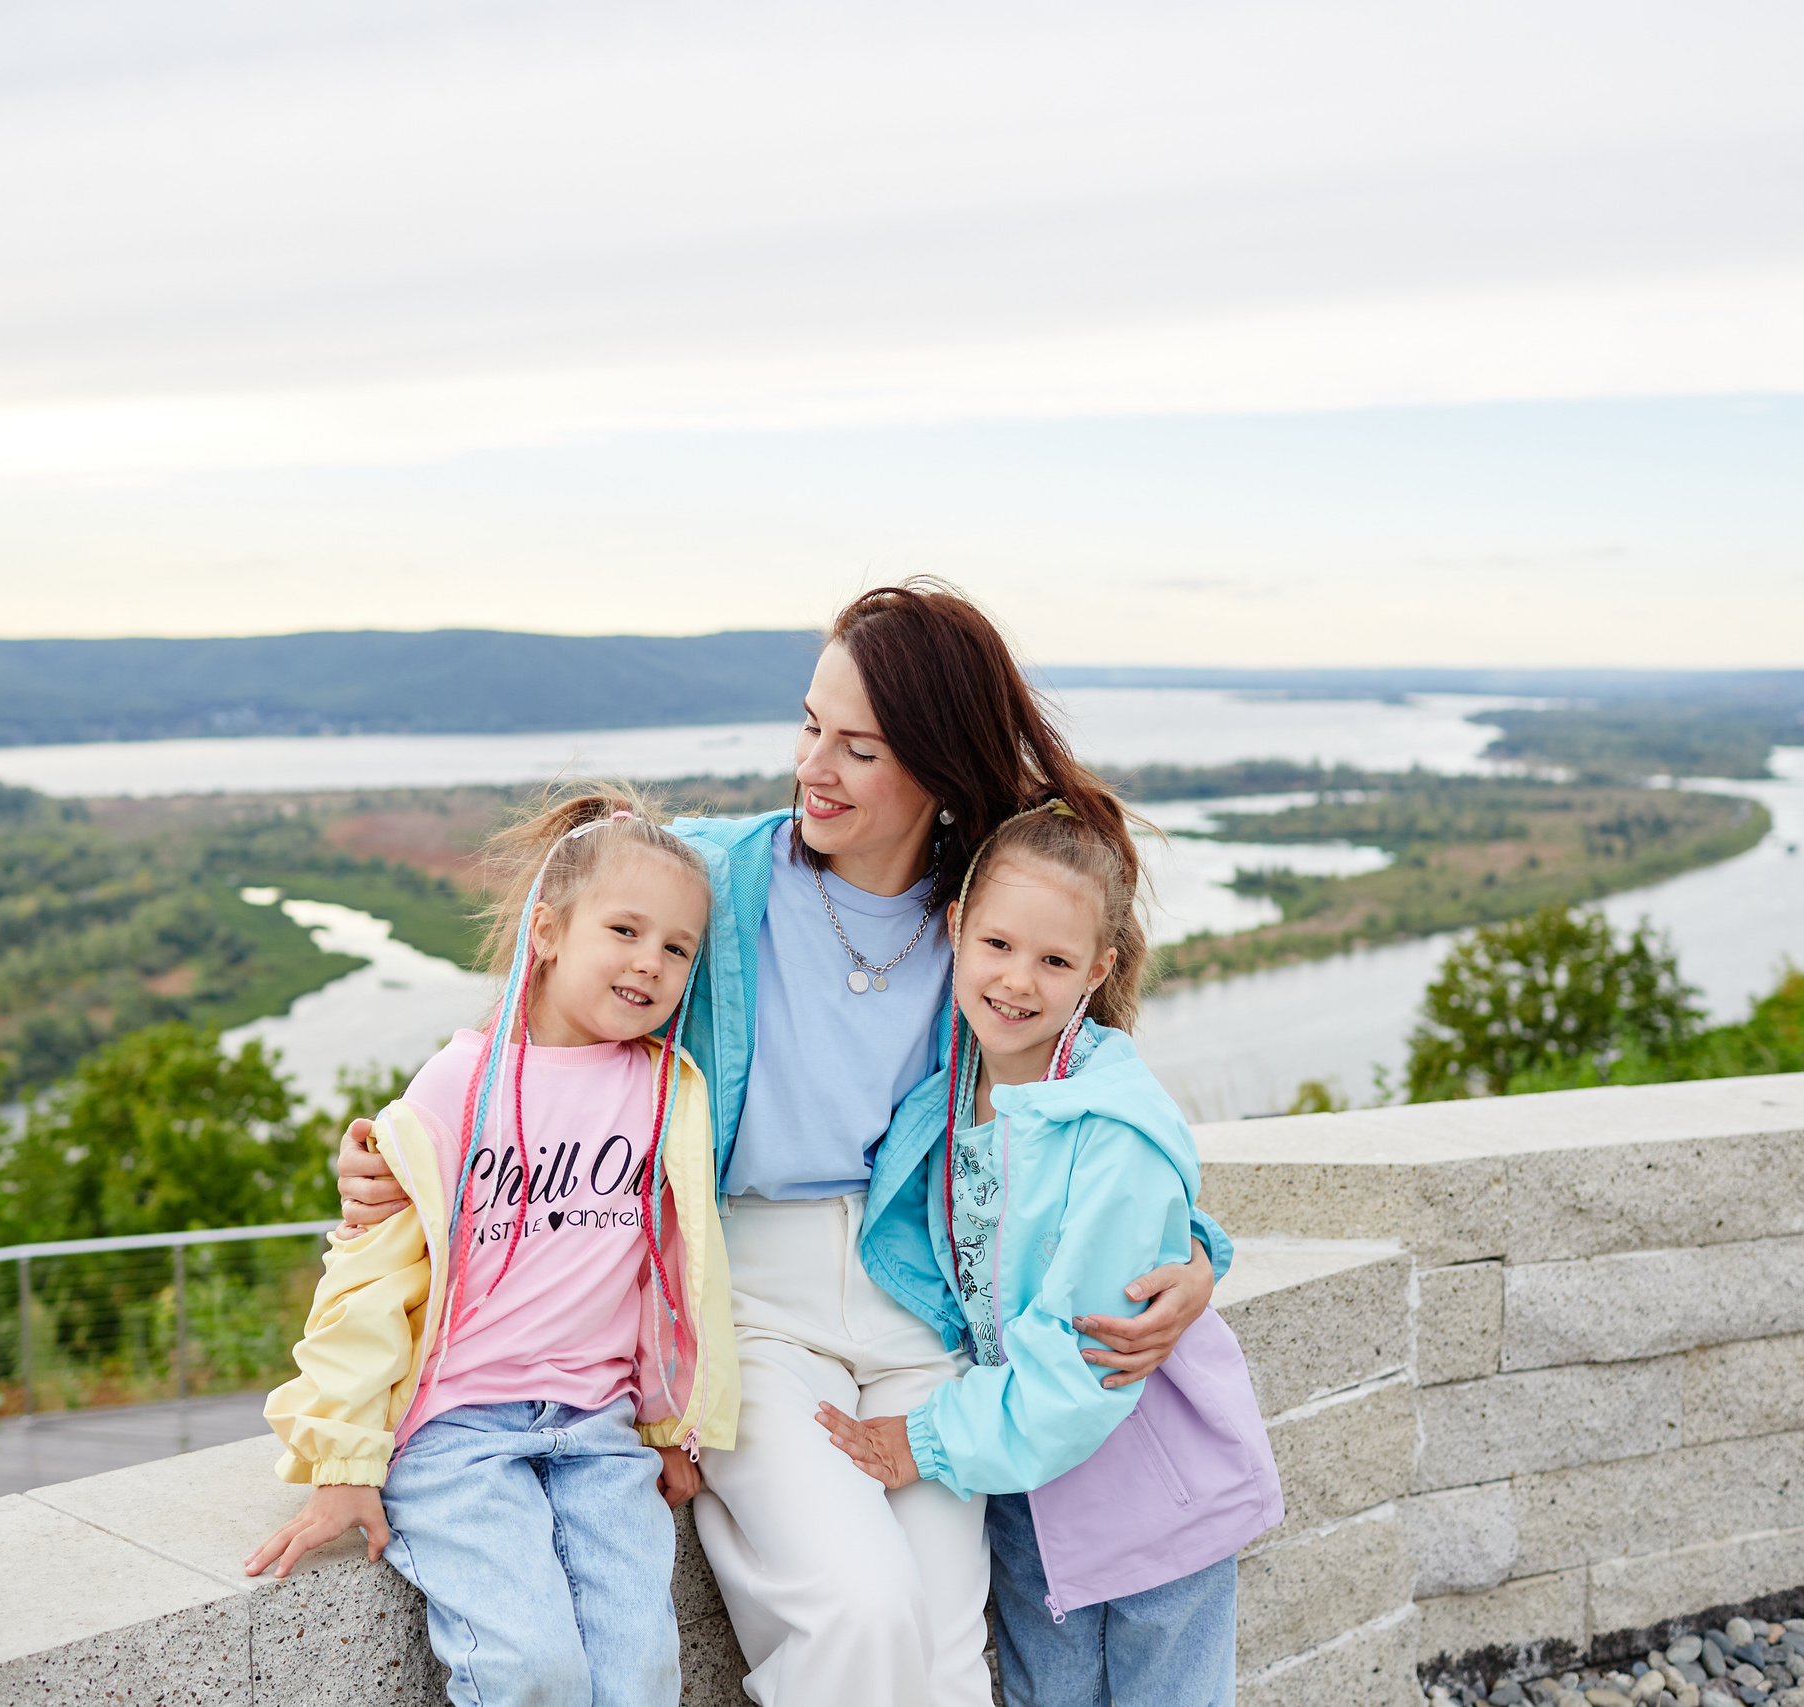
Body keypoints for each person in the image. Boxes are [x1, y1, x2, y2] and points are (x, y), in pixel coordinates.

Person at [334, 581, 1233, 1707]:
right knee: (857, 1613)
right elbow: (530, 1046)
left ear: (937, 766)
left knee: (948, 1656)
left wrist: (1195, 1249)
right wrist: (398, 1160)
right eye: (811, 725)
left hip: (919, 1306)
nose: (814, 765)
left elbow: (1085, 1101)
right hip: (747, 1304)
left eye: (858, 748)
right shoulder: (710, 883)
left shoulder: (994, 914)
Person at [245, 790, 738, 1707]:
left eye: (677, 947)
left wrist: (673, 1427)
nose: (650, 963)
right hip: (459, 1432)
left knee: (641, 1674)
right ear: (546, 931)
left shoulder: (671, 1093)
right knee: (529, 1669)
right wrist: (345, 1462)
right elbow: (371, 1275)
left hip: (598, 1433)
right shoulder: (458, 1080)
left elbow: (669, 1278)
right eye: (625, 930)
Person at [817, 802, 1282, 1707]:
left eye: (1055, 961)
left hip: (1154, 1498)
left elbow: (1080, 1362)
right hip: (1030, 1499)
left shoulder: (1111, 1129)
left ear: (1097, 971)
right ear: (955, 927)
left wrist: (922, 1440)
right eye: (997, 943)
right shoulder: (952, 1084)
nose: (1017, 980)